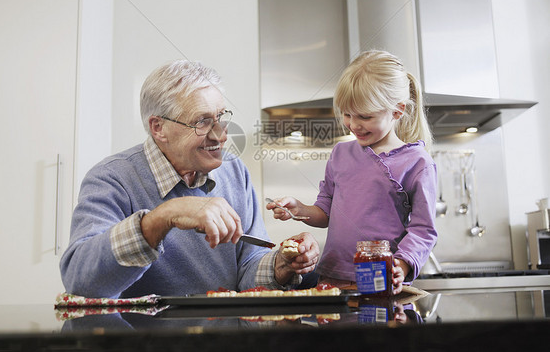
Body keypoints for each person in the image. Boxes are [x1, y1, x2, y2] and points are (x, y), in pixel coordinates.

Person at [60, 60, 319, 299]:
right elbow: (80, 282)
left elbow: (248, 268)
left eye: (221, 117)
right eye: (202, 122)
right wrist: (162, 217)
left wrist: (280, 266)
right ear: (158, 127)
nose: (221, 136)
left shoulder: (234, 171)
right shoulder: (112, 179)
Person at [267, 50, 437, 295]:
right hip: (331, 279)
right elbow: (325, 212)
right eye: (347, 114)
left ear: (397, 111)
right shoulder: (340, 154)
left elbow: (424, 229)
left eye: (365, 116)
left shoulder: (417, 162)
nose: (354, 124)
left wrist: (401, 264)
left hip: (380, 280)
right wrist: (299, 209)